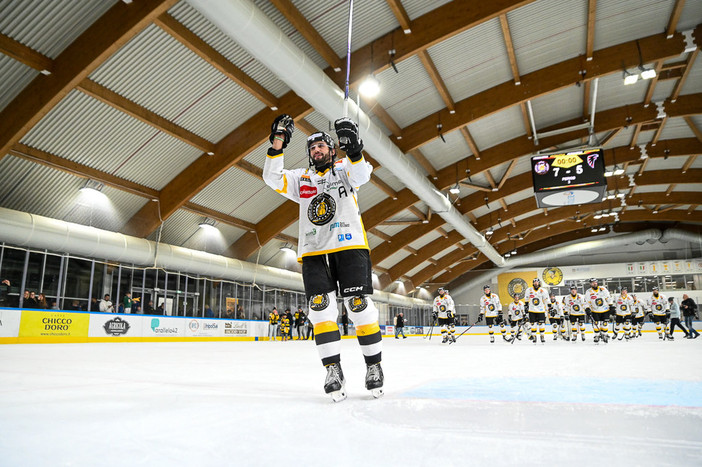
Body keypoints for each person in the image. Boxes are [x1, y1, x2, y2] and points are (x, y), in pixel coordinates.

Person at [263, 114, 383, 401]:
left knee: (359, 306)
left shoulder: (344, 169)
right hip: (314, 251)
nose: (316, 151)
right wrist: (278, 141)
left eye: (321, 146)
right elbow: (271, 177)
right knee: (320, 310)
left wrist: (353, 148)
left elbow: (363, 174)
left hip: (349, 245)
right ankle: (333, 370)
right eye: (312, 148)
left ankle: (374, 367)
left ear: (331, 149)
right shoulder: (300, 179)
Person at [585, 278, 612, 344]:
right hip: (595, 310)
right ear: (590, 284)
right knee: (596, 324)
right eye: (592, 282)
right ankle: (597, 336)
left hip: (605, 309)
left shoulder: (603, 289)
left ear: (597, 282)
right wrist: (587, 308)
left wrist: (611, 305)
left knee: (605, 323)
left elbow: (608, 297)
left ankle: (604, 334)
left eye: (595, 282)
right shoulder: (588, 291)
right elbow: (586, 301)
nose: (594, 283)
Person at [524, 278, 550, 343]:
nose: (536, 283)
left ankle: (542, 336)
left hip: (541, 310)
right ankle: (534, 336)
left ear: (539, 283)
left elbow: (547, 300)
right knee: (533, 324)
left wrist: (549, 307)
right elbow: (526, 299)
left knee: (541, 324)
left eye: (537, 282)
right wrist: (526, 306)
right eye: (534, 282)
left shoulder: (543, 290)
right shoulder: (529, 290)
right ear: (533, 283)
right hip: (532, 310)